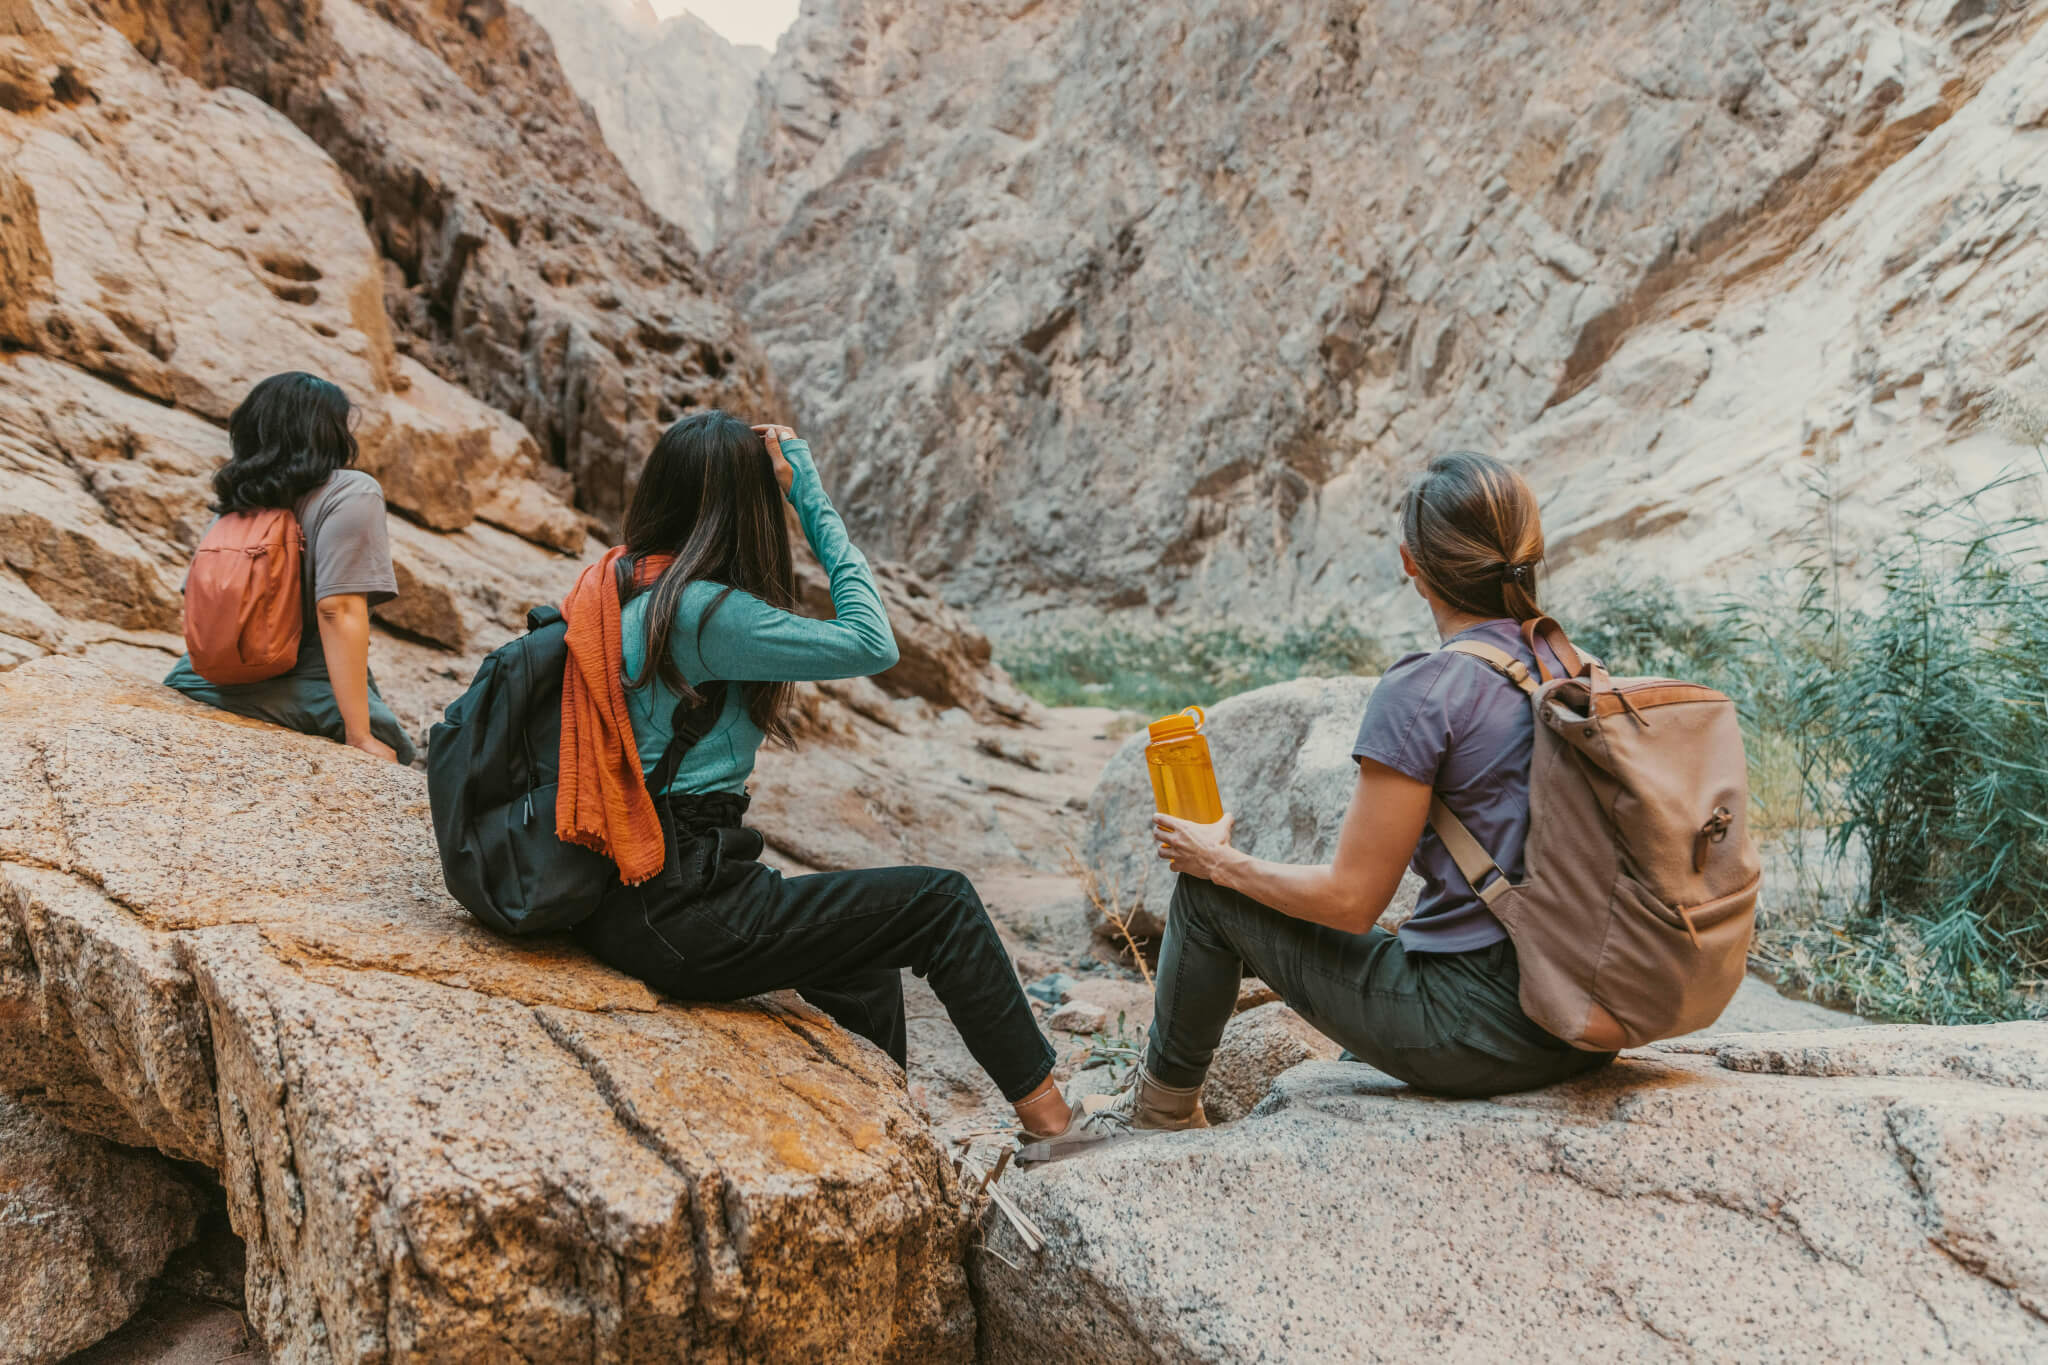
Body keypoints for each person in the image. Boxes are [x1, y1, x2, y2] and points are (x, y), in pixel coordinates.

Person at [1021, 451, 1614, 1163]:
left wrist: (1218, 859)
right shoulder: (1568, 669)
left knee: (1209, 897)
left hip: (1482, 1031)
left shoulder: (1428, 689)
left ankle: (1158, 1116)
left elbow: (1351, 901)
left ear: (1409, 562)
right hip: (1583, 1019)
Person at [564, 411, 1074, 1142]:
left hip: (638, 896)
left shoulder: (638, 589)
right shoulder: (703, 612)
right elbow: (873, 641)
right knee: (942, 903)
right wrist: (809, 495)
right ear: (745, 508)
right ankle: (1056, 1127)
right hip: (682, 909)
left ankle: (883, 1119)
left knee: (861, 959)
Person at [165, 373, 412, 763]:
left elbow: (196, 601)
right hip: (300, 688)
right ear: (330, 431)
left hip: (194, 680)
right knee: (398, 749)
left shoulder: (238, 501)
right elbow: (338, 609)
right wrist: (360, 735)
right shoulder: (350, 491)